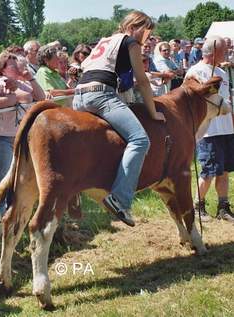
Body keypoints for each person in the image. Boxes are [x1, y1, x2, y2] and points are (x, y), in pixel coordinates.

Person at [73, 11, 165, 227]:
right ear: (135, 26)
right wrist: (153, 113)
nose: (146, 39)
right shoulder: (131, 42)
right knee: (140, 140)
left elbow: (82, 69)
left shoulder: (104, 41)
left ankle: (75, 193)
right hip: (101, 94)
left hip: (79, 96)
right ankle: (120, 199)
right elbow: (142, 81)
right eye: (146, 32)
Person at [185, 35, 234, 222]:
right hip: (209, 130)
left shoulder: (222, 72)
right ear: (213, 53)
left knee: (224, 171)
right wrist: (210, 87)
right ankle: (198, 206)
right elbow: (195, 98)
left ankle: (223, 207)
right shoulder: (195, 71)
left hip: (226, 128)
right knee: (208, 172)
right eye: (223, 51)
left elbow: (227, 99)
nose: (226, 53)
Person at [0, 50, 45, 214]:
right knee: (3, 179)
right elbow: (24, 98)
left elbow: (41, 96)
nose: (16, 67)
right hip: (5, 138)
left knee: (17, 181)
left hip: (21, 138)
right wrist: (18, 86)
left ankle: (11, 215)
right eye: (12, 65)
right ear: (2, 68)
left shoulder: (20, 82)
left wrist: (29, 77)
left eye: (17, 64)